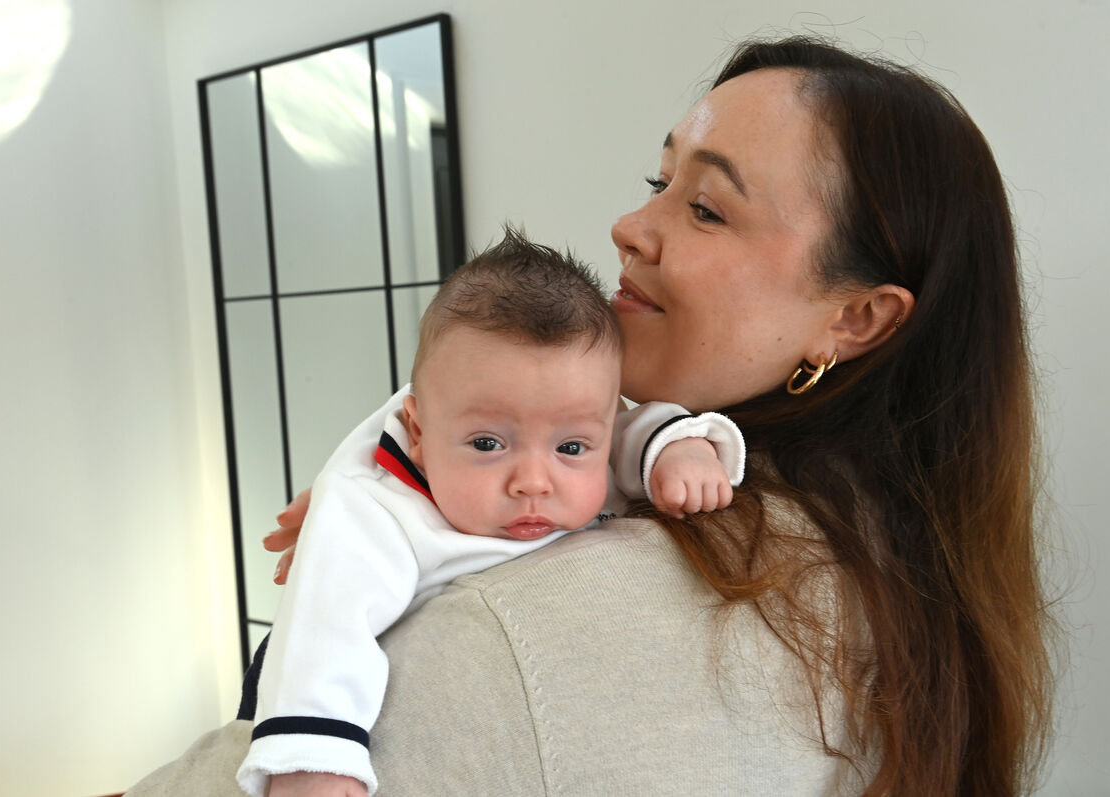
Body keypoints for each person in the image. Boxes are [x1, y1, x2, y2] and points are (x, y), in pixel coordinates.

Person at [127, 36, 1053, 797]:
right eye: (657, 181)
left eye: (705, 207)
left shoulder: (523, 629)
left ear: (855, 318)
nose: (629, 226)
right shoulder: (904, 571)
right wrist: (387, 493)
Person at [237, 230, 746, 797]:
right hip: (306, 683)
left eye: (571, 447)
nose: (534, 481)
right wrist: (315, 760)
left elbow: (630, 429)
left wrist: (679, 449)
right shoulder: (374, 507)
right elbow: (327, 624)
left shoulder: (587, 438)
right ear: (419, 435)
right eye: (487, 444)